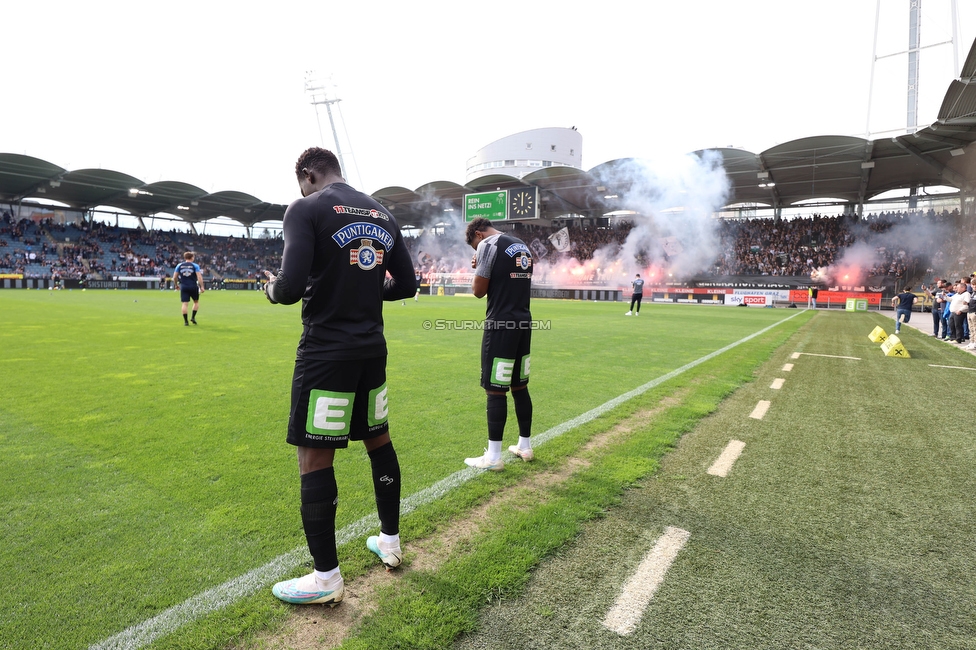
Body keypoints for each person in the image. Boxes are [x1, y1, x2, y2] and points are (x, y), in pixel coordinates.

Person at [263, 147, 416, 606]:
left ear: (308, 175)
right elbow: (406, 285)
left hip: (327, 351)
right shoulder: (383, 213)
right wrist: (366, 289)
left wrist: (269, 289)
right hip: (372, 348)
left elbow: (289, 288)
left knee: (314, 458)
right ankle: (389, 542)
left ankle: (325, 578)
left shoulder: (305, 208)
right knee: (379, 440)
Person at [463, 217, 534, 471]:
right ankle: (524, 446)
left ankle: (493, 457)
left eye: (474, 246)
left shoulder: (487, 244)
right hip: (524, 322)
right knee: (519, 386)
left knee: (495, 389)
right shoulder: (521, 245)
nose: (476, 251)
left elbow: (478, 290)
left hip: (500, 323)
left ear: (478, 235)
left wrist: (478, 263)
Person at [173, 251, 204, 325]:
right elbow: (199, 277)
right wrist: (202, 286)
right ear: (192, 257)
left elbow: (174, 277)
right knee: (196, 302)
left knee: (185, 303)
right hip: (193, 286)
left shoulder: (179, 265)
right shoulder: (195, 266)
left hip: (184, 286)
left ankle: (186, 322)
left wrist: (176, 285)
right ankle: (193, 317)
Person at [949, 279, 971, 345]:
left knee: (958, 326)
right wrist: (944, 296)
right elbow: (950, 299)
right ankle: (953, 337)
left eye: (958, 288)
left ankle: (959, 339)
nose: (956, 289)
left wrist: (960, 310)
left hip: (959, 312)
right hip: (953, 312)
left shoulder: (966, 294)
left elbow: (967, 304)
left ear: (963, 288)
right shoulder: (957, 294)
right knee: (951, 325)